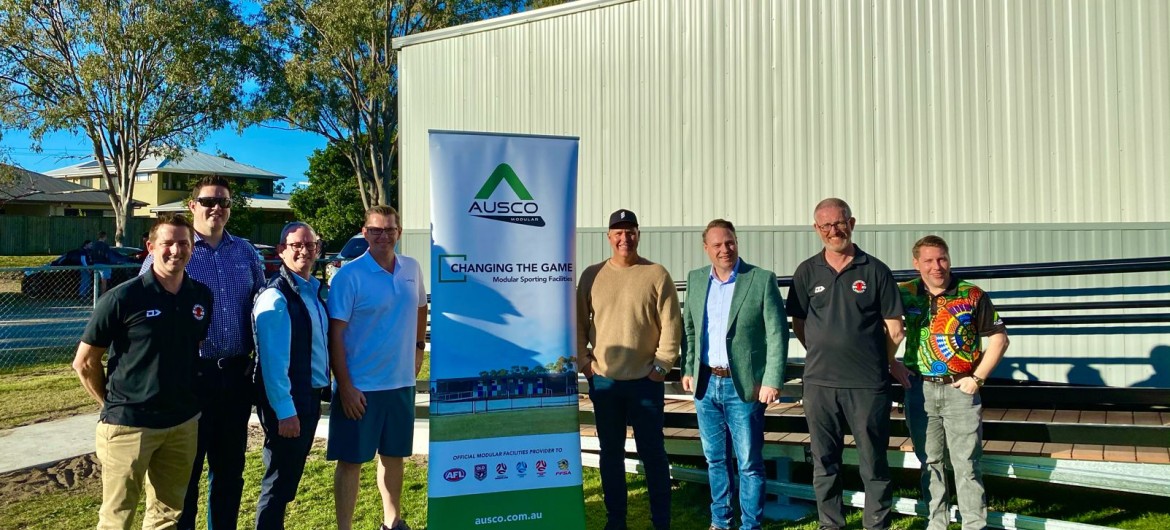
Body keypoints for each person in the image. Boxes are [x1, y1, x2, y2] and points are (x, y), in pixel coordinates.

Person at [72, 214, 213, 529]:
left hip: (182, 424)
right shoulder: (123, 297)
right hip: (130, 425)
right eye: (167, 243)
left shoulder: (200, 296)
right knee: (117, 517)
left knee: (167, 515)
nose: (176, 250)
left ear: (192, 248)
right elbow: (84, 362)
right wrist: (111, 405)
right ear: (151, 247)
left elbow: (189, 351)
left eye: (184, 243)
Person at [140, 176, 265, 530]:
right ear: (192, 206)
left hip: (236, 376)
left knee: (229, 472)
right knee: (186, 474)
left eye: (224, 202)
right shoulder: (173, 249)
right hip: (190, 378)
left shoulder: (245, 252)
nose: (217, 208)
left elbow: (262, 304)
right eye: (209, 201)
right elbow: (147, 308)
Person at [785, 198, 907, 530]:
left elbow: (894, 328)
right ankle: (831, 525)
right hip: (820, 385)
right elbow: (799, 324)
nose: (833, 230)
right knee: (824, 464)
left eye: (839, 223)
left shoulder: (875, 270)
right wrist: (824, 350)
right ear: (816, 229)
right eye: (825, 225)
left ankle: (876, 526)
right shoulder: (806, 271)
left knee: (873, 464)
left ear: (852, 223)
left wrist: (883, 360)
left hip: (868, 385)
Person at [577, 208, 682, 530]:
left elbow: (671, 324)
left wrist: (662, 366)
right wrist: (585, 363)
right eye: (618, 232)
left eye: (630, 231)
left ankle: (661, 521)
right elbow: (578, 323)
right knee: (611, 454)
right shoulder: (592, 275)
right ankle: (616, 521)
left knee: (653, 454)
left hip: (645, 382)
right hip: (606, 382)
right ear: (609, 237)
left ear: (638, 234)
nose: (625, 238)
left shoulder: (656, 274)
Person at [681, 219, 788, 530]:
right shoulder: (696, 279)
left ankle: (750, 524)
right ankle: (720, 520)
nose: (724, 249)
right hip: (706, 384)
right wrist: (688, 367)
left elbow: (777, 333)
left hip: (744, 386)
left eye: (729, 242)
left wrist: (772, 379)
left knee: (749, 463)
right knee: (715, 460)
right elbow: (690, 330)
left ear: (736, 242)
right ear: (706, 249)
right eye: (717, 245)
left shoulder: (760, 279)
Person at [327, 205, 427, 530]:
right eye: (375, 230)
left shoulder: (412, 268)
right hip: (360, 388)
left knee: (394, 456)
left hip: (399, 384)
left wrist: (417, 349)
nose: (383, 236)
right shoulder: (348, 276)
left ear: (399, 232)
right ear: (364, 231)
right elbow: (336, 336)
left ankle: (392, 520)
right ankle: (345, 527)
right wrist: (345, 386)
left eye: (389, 230)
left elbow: (421, 307)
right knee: (351, 461)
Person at [899, 235, 1009, 530]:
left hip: (960, 388)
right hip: (919, 389)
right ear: (916, 263)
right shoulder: (904, 293)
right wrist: (890, 365)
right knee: (930, 462)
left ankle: (975, 525)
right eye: (929, 260)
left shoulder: (971, 294)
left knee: (966, 463)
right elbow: (883, 328)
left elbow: (999, 339)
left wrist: (978, 378)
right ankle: (936, 524)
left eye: (942, 258)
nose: (937, 266)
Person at [252, 222, 330, 529]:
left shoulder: (313, 291)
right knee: (279, 478)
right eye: (296, 245)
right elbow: (273, 364)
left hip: (308, 396)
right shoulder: (276, 297)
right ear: (282, 250)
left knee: (288, 478)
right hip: (289, 402)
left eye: (310, 245)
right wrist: (286, 412)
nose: (305, 251)